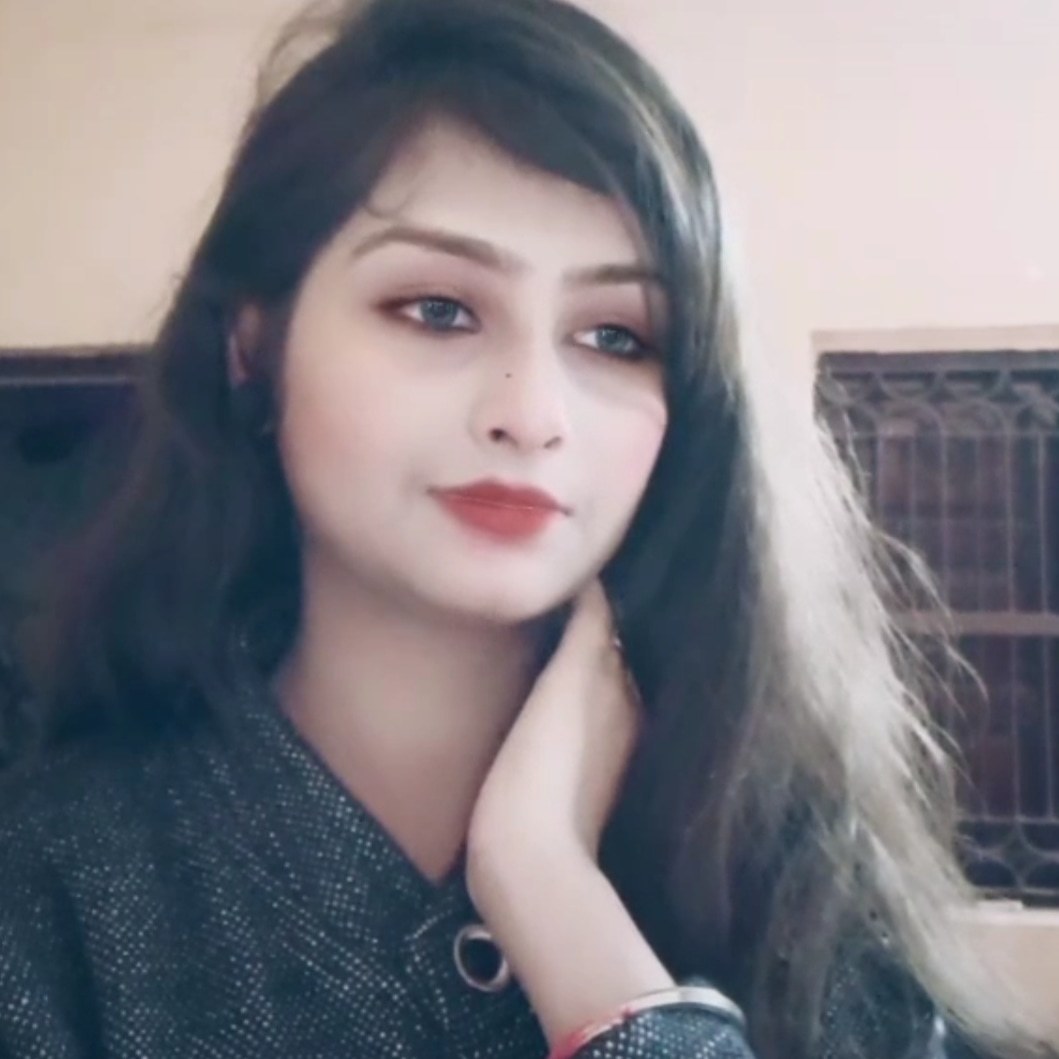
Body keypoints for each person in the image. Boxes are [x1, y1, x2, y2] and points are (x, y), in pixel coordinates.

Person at [0, 0, 1054, 1056]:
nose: (534, 413)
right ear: (253, 346)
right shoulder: (53, 899)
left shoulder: (795, 885)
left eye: (615, 336)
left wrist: (556, 898)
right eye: (438, 309)